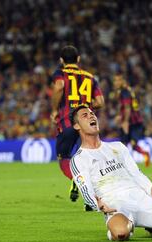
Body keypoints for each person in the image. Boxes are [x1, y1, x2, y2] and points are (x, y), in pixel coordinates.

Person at [70, 105, 152, 241]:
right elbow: (86, 190)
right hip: (116, 205)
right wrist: (98, 205)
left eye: (92, 113)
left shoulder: (118, 147)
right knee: (121, 234)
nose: (91, 116)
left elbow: (136, 174)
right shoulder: (79, 159)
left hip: (142, 198)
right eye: (85, 115)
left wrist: (151, 189)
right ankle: (126, 225)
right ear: (77, 126)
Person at [50, 45, 104, 207]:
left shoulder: (61, 73)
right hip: (87, 123)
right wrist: (86, 105)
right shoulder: (90, 77)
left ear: (61, 60)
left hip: (67, 120)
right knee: (88, 158)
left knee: (64, 158)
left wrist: (54, 110)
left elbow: (59, 86)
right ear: (78, 59)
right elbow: (100, 102)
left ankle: (77, 179)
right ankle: (93, 198)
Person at [113, 73, 151, 167]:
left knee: (128, 143)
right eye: (115, 80)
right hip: (133, 120)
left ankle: (125, 163)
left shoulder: (124, 91)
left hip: (132, 122)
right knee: (125, 143)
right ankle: (124, 164)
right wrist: (120, 116)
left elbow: (127, 108)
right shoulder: (126, 90)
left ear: (123, 81)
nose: (116, 82)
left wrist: (125, 121)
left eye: (118, 80)